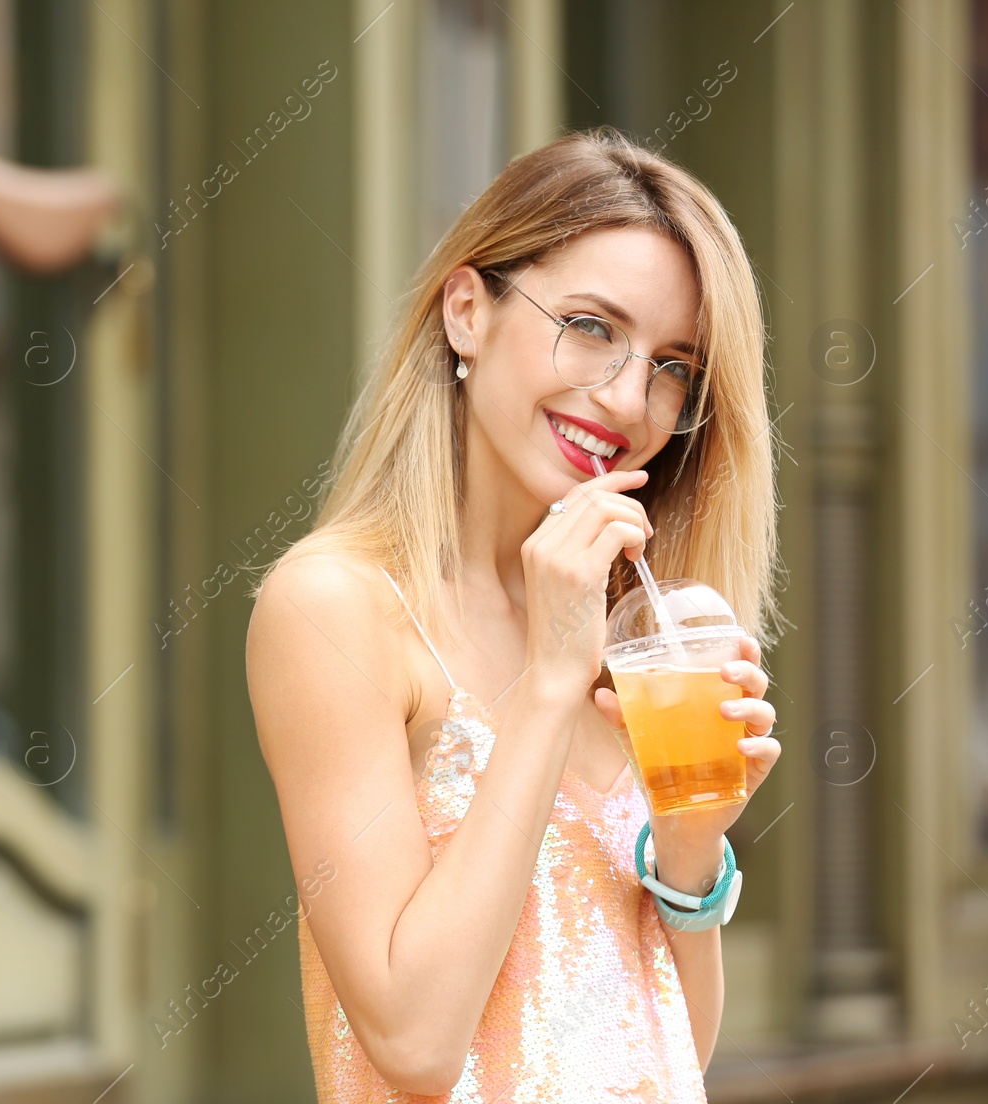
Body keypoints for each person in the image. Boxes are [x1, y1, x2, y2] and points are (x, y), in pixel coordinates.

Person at [245, 128, 783, 1102]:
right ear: (466, 311)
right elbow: (411, 1041)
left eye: (673, 366)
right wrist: (546, 682)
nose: (628, 398)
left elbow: (666, 1047)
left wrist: (693, 841)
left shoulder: (638, 630)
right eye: (589, 326)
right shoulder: (335, 608)